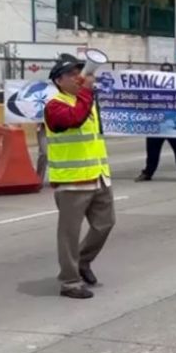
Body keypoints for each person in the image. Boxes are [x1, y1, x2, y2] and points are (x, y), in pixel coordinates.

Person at [44, 54, 115, 299]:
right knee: (69, 235)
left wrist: (87, 94)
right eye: (71, 75)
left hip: (98, 176)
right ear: (58, 81)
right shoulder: (55, 104)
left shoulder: (87, 101)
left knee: (105, 224)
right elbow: (73, 119)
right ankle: (70, 282)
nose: (78, 77)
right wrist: (86, 92)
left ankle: (82, 262)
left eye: (79, 72)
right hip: (72, 181)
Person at [136, 63, 176, 183]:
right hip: (157, 124)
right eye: (164, 72)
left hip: (173, 125)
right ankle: (148, 173)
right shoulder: (153, 88)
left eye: (168, 72)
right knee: (152, 152)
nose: (166, 74)